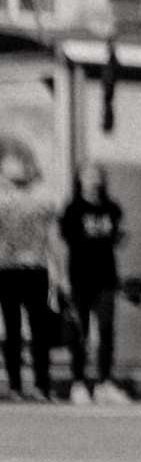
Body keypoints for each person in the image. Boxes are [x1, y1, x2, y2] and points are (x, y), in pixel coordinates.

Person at [59, 164, 127, 406]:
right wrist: (63, 278)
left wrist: (117, 236)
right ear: (80, 179)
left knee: (106, 329)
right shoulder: (72, 209)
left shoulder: (112, 208)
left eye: (97, 175)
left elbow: (116, 235)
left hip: (106, 277)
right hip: (80, 277)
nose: (93, 180)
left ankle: (104, 382)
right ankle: (78, 383)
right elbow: (67, 241)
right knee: (80, 331)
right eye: (88, 176)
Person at [0, 141, 61, 403]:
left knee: (40, 329)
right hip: (6, 269)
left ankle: (42, 385)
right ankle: (15, 385)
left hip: (36, 268)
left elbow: (52, 237)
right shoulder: (1, 199)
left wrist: (60, 271)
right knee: (12, 330)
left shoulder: (44, 199)